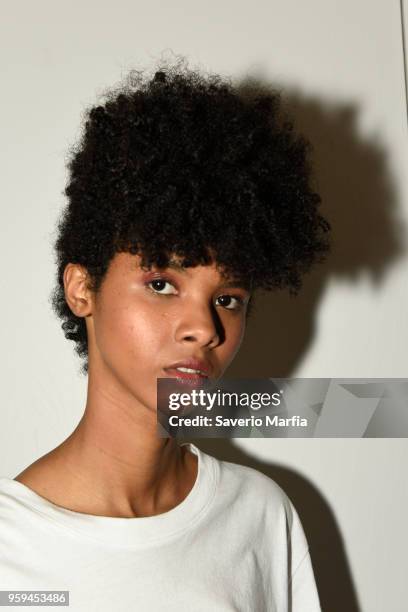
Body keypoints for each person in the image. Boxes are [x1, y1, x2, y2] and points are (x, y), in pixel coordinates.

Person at [0, 57, 330, 611]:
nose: (204, 328)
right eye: (161, 283)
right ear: (83, 290)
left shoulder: (258, 516)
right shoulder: (12, 550)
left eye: (227, 299)